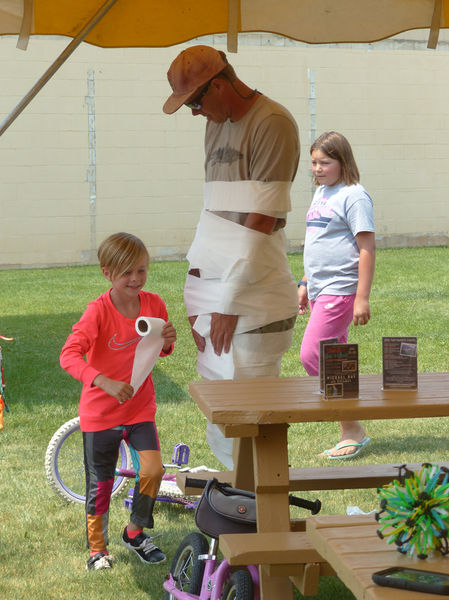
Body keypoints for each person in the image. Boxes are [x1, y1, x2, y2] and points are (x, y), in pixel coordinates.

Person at [163, 45, 299, 469]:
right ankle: (243, 520)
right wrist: (197, 294)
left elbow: (259, 223)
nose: (194, 113)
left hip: (255, 299)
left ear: (220, 85)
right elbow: (214, 215)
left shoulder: (272, 124)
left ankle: (264, 524)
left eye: (196, 102)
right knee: (224, 423)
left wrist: (226, 302)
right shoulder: (216, 124)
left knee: (250, 423)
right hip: (221, 290)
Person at [60, 232, 176, 570]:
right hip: (100, 414)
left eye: (141, 271)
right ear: (107, 272)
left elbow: (159, 348)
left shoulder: (154, 303)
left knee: (153, 470)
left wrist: (167, 341)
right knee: (101, 483)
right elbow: (69, 356)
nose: (135, 279)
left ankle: (134, 532)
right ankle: (97, 549)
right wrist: (103, 381)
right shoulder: (97, 312)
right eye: (127, 272)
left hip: (140, 408)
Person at [298, 131, 376, 459]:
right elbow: (318, 242)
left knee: (313, 356)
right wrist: (304, 283)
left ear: (343, 162)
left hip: (340, 290)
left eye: (325, 163)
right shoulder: (322, 193)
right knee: (336, 359)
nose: (317, 168)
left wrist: (362, 297)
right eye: (314, 162)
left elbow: (367, 246)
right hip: (319, 289)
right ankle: (350, 432)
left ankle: (352, 425)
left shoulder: (354, 196)